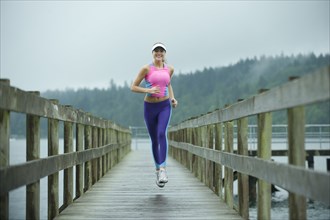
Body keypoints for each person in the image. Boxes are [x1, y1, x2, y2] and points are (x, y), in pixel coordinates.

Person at [131, 42, 178, 188]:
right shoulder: (146, 69)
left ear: (165, 53)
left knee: (160, 134)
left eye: (161, 51)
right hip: (149, 107)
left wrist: (172, 98)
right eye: (156, 51)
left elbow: (168, 84)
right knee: (154, 139)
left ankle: (163, 169)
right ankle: (158, 170)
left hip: (164, 106)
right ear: (152, 53)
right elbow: (133, 87)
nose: (159, 53)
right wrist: (148, 91)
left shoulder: (170, 69)